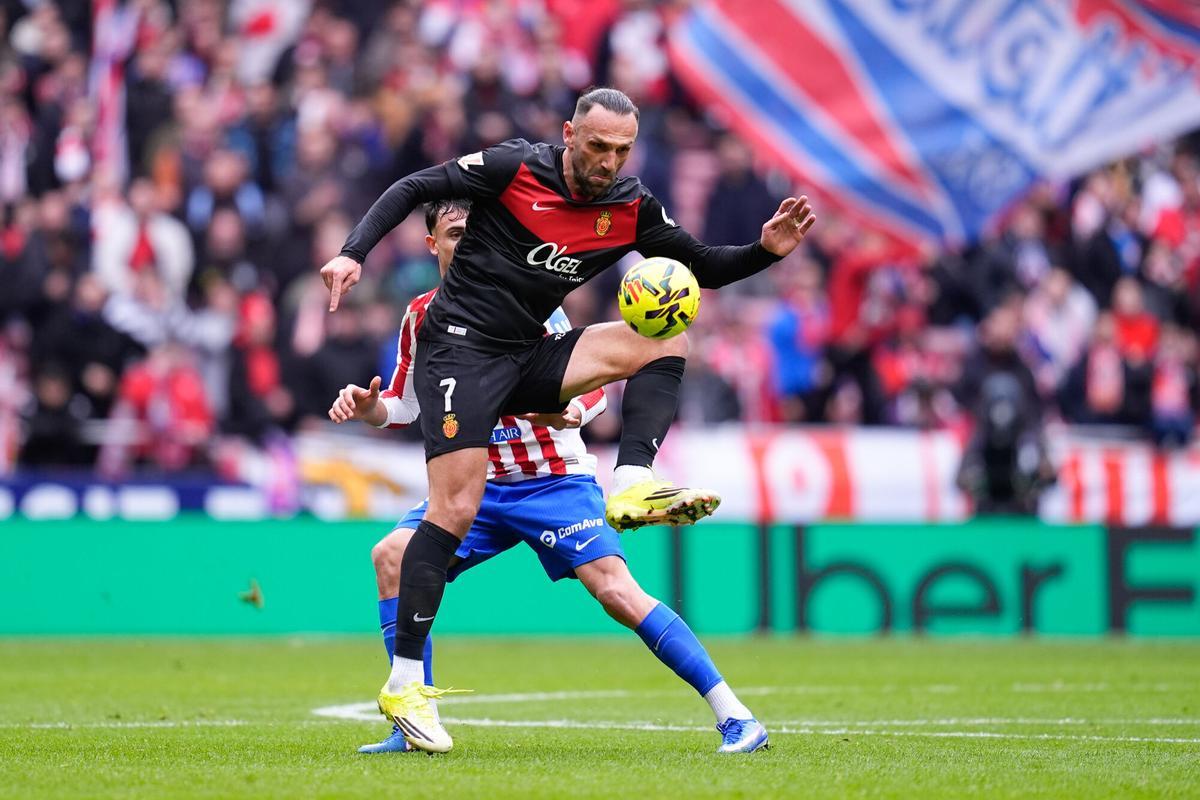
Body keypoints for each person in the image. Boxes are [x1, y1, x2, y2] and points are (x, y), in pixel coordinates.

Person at [319, 87, 814, 752]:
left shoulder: (629, 206)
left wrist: (764, 251)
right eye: (597, 146)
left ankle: (634, 478)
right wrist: (354, 252)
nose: (609, 161)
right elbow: (413, 183)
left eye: (621, 150)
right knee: (434, 523)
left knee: (668, 337)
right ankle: (408, 691)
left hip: (544, 447)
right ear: (568, 135)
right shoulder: (512, 170)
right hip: (465, 354)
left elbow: (701, 265)